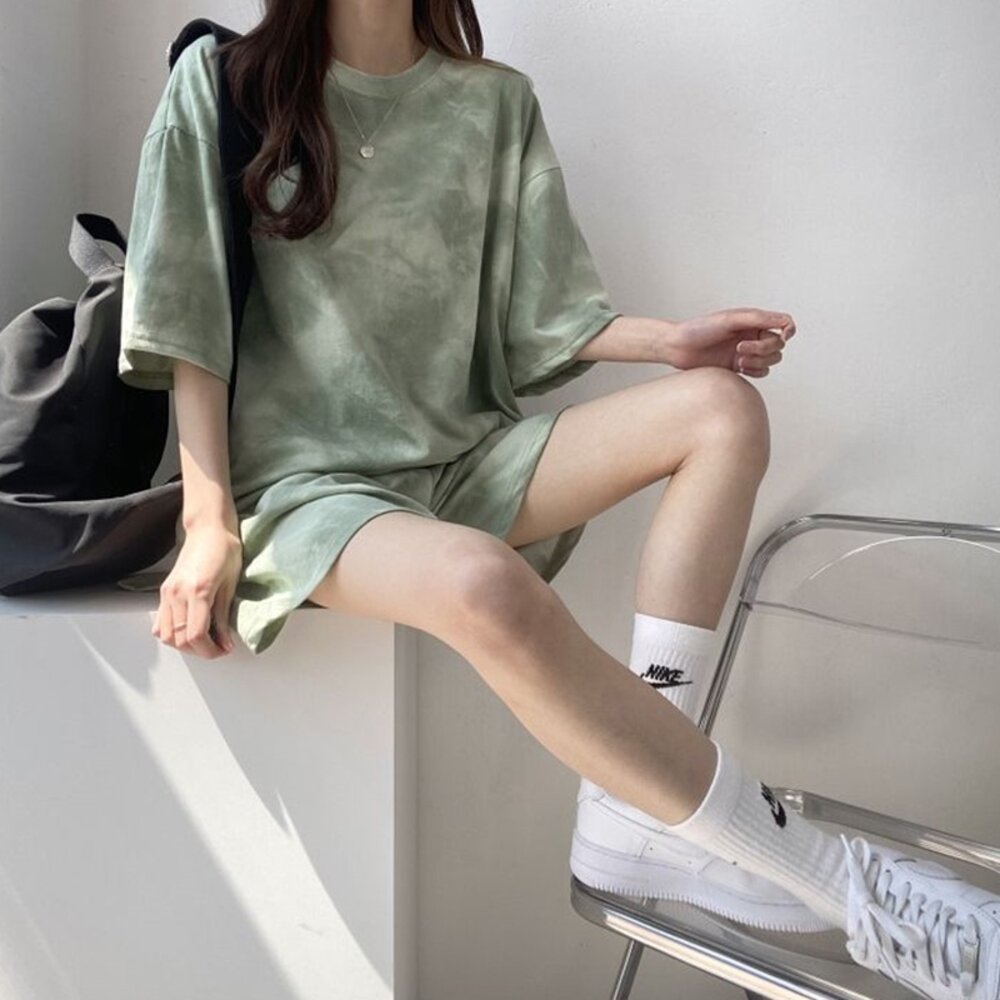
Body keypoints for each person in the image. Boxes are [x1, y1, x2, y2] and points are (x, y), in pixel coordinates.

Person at [117, 2, 999, 997]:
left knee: (721, 410)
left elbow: (544, 317)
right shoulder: (224, 85)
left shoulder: (492, 103)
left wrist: (669, 343)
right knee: (486, 584)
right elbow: (185, 316)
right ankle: (842, 882)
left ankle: (633, 816)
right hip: (307, 488)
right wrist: (207, 524)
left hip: (460, 461)